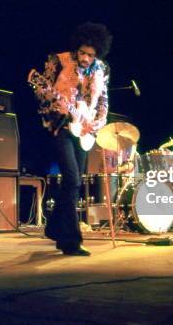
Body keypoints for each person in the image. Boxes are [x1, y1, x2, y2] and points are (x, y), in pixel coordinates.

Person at [33, 22, 112, 256]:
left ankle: (55, 227)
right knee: (73, 179)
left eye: (91, 54)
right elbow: (41, 91)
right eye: (83, 53)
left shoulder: (102, 69)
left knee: (73, 183)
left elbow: (103, 100)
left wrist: (98, 122)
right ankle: (71, 241)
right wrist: (57, 106)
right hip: (60, 127)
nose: (86, 58)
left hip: (85, 130)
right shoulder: (58, 60)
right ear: (76, 48)